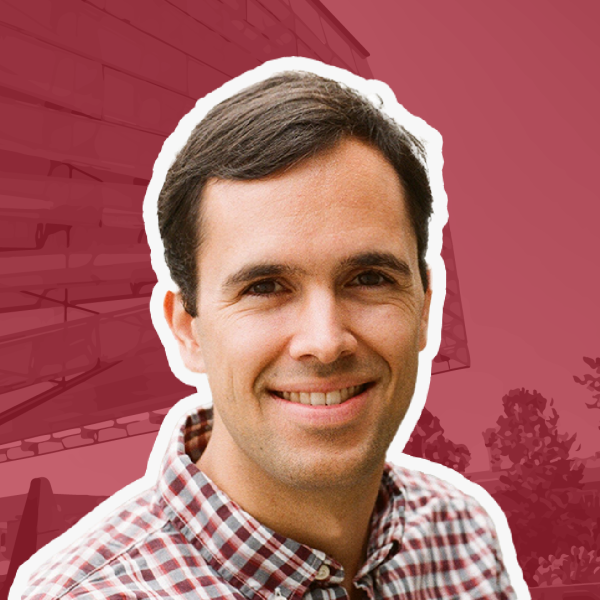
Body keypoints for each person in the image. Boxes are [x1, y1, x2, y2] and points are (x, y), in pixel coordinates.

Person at [16, 60, 521, 600]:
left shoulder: (463, 534)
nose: (325, 342)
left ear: (425, 306)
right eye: (264, 287)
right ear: (187, 330)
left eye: (369, 278)